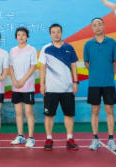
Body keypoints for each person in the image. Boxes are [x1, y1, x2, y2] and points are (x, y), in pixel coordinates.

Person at [39, 23, 79, 151]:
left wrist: (76, 82)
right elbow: (42, 68)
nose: (56, 34)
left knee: (69, 114)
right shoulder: (46, 49)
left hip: (67, 88)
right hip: (51, 89)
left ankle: (70, 138)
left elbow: (74, 66)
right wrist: (42, 84)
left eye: (58, 32)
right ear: (50, 34)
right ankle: (49, 138)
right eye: (53, 32)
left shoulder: (69, 48)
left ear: (61, 33)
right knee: (49, 115)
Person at [84, 18, 116, 152]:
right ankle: (95, 140)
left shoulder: (112, 43)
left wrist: (106, 73)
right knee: (95, 111)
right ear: (92, 28)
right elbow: (87, 62)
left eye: (100, 24)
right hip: (94, 83)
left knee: (110, 110)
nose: (97, 27)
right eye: (94, 25)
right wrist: (95, 72)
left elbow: (114, 61)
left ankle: (111, 140)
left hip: (108, 83)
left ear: (104, 26)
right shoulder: (88, 44)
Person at [9, 26, 37, 148]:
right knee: (18, 112)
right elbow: (10, 67)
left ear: (27, 36)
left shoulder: (31, 49)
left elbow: (33, 66)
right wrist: (14, 80)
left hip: (28, 86)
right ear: (16, 37)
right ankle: (20, 136)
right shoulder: (12, 50)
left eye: (23, 35)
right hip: (16, 86)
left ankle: (31, 138)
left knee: (28, 112)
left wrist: (23, 80)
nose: (21, 37)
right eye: (19, 35)